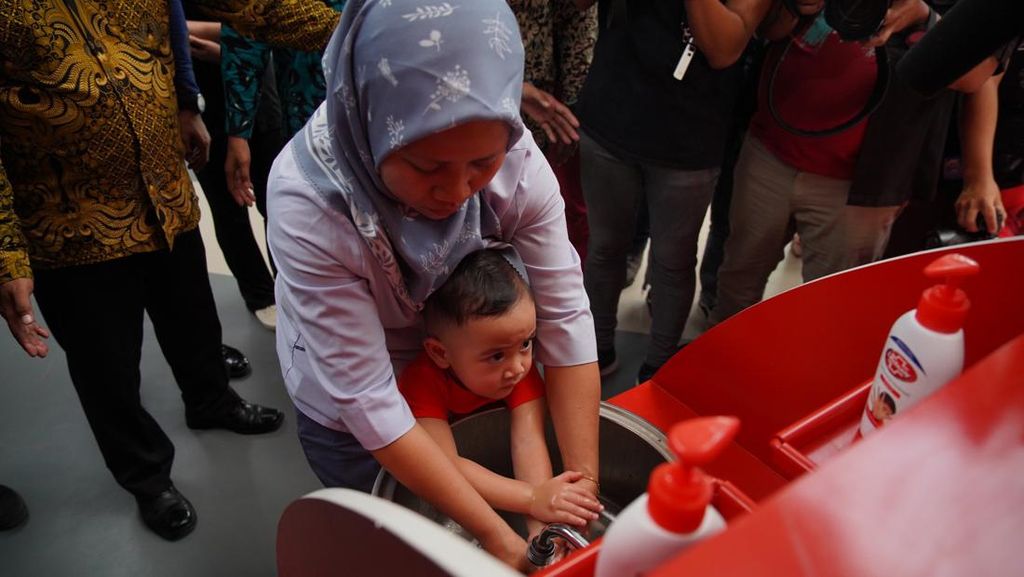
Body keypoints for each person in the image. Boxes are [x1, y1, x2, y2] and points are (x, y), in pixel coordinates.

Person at [267, 0, 600, 568]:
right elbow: (370, 400)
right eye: (426, 167)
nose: (457, 191)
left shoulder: (518, 161)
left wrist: (576, 497)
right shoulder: (311, 201)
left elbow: (566, 318)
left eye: (483, 162)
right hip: (361, 403)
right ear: (371, 124)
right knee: (391, 540)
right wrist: (500, 541)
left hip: (472, 359)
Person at [0, 0, 312, 542]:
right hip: (68, 219)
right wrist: (6, 250)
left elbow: (241, 10)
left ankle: (210, 400)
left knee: (192, 317)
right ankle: (147, 476)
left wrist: (188, 105)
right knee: (107, 365)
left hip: (165, 195)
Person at [706, 0, 951, 328]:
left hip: (861, 186)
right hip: (770, 151)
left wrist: (924, 16)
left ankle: (811, 376)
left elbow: (977, 77)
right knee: (737, 277)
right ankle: (719, 361)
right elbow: (766, 28)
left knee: (831, 308)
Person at [574, 0, 776, 383]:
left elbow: (723, 49)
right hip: (610, 117)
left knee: (673, 261)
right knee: (604, 248)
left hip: (690, 140)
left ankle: (661, 367)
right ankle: (595, 349)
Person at [398, 249, 603, 539]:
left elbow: (529, 443)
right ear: (440, 353)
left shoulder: (517, 372)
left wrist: (541, 532)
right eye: (496, 356)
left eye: (527, 343)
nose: (518, 367)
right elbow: (446, 467)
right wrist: (533, 498)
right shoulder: (421, 383)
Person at [176, 9, 282, 331]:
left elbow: (269, 23)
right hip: (200, 100)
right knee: (228, 208)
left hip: (256, 88)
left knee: (279, 201)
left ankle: (291, 288)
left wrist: (191, 29)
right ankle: (261, 295)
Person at [509, 0, 598, 263]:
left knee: (562, 210)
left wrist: (573, 105)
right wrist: (513, 87)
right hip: (476, 92)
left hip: (548, 99)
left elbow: (579, 18)